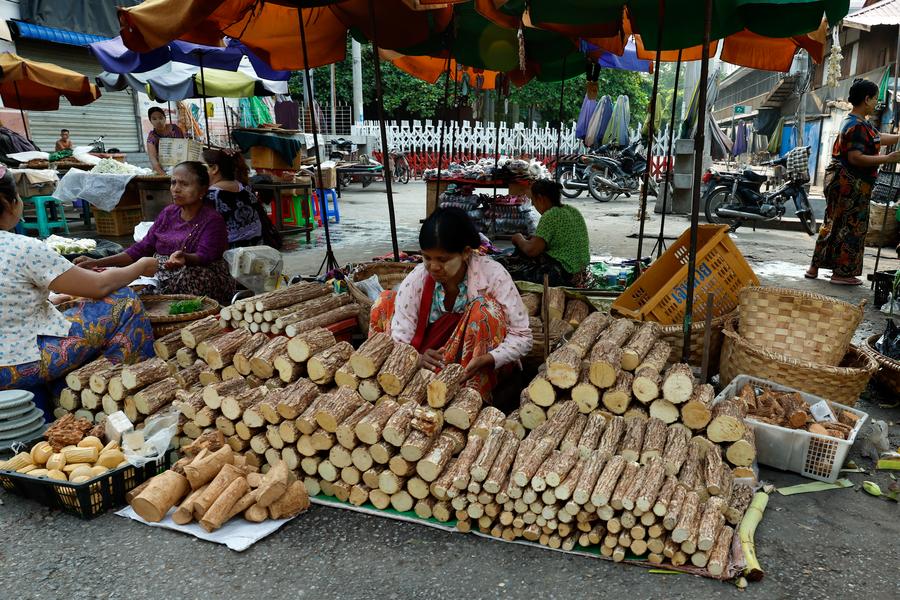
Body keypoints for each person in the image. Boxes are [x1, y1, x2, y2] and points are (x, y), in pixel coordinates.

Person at [0, 165, 156, 399]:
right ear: (8, 202)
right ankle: (131, 388)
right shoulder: (22, 248)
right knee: (123, 300)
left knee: (66, 305)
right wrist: (141, 267)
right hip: (18, 363)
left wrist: (51, 299)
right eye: (19, 196)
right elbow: (98, 286)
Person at [369, 207, 532, 402]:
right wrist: (416, 358)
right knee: (385, 300)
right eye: (427, 258)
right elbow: (400, 337)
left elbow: (522, 337)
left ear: (465, 253)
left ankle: (470, 398)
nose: (433, 267)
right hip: (432, 360)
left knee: (483, 310)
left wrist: (488, 358)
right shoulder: (418, 279)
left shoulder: (493, 275)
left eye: (443, 259)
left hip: (476, 363)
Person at [75, 161, 235, 305]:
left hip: (198, 274)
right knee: (117, 280)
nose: (176, 189)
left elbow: (205, 256)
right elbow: (141, 249)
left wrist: (185, 258)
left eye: (184, 184)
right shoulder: (168, 213)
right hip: (161, 272)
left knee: (141, 293)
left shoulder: (212, 220)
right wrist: (97, 262)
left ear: (203, 190)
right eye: (173, 183)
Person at [807, 78, 900, 285]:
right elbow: (855, 158)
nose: (877, 102)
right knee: (851, 227)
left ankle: (814, 268)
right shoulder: (856, 125)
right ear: (866, 99)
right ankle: (842, 274)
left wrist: (897, 138)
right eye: (875, 98)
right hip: (851, 183)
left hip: (842, 181)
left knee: (832, 223)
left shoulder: (856, 122)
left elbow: (877, 137)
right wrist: (888, 158)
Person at [506, 179, 590, 286]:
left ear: (540, 198)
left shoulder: (550, 215)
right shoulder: (572, 210)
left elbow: (532, 250)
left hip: (564, 273)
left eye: (533, 201)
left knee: (511, 270)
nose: (533, 205)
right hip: (580, 270)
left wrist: (519, 238)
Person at [203, 147, 266, 248]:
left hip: (230, 254)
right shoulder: (245, 187)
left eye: (200, 167)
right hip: (256, 249)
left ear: (214, 168)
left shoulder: (211, 195)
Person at [146, 106, 185, 175]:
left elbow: (183, 147)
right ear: (150, 121)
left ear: (165, 118)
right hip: (162, 168)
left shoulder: (175, 129)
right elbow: (153, 159)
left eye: (161, 118)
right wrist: (164, 175)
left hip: (180, 164)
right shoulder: (152, 137)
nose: (158, 121)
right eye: (154, 119)